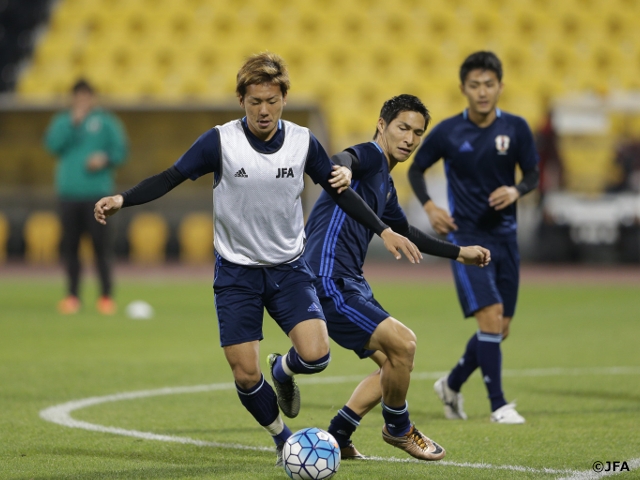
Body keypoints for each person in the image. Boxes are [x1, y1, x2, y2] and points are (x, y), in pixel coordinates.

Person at [93, 53, 421, 466]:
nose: (263, 110)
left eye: (271, 100)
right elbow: (170, 177)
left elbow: (340, 189)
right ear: (241, 101)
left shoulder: (303, 142)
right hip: (236, 274)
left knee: (317, 356)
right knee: (246, 375)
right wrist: (123, 198)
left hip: (289, 268)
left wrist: (384, 229)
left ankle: (283, 369)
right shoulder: (219, 141)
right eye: (254, 102)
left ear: (284, 98)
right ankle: (282, 439)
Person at [299, 94, 490, 461]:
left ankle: (338, 433)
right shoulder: (370, 156)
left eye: (418, 133)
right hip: (328, 279)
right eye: (403, 128)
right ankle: (398, 428)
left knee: (394, 364)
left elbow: (406, 231)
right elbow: (345, 158)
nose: (410, 138)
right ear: (383, 125)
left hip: (351, 282)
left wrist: (459, 252)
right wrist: (343, 169)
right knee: (405, 344)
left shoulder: (385, 184)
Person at [408, 51, 540, 424]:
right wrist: (431, 207)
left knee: (501, 328)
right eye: (474, 85)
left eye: (489, 84)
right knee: (491, 317)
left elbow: (532, 173)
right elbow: (417, 169)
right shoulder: (449, 131)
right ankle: (498, 405)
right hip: (466, 240)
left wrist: (516, 191)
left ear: (500, 86)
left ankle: (450, 384)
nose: (482, 92)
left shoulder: (516, 128)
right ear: (463, 88)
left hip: (507, 239)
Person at [44, 79, 128, 315]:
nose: (82, 101)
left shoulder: (107, 122)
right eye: (78, 97)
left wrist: (105, 158)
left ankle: (106, 297)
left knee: (101, 247)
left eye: (86, 97)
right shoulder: (62, 121)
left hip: (98, 195)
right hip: (68, 194)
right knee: (70, 248)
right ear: (72, 99)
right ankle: (72, 296)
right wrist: (73, 124)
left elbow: (121, 150)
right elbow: (51, 145)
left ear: (92, 98)